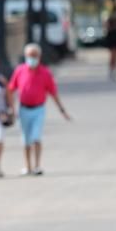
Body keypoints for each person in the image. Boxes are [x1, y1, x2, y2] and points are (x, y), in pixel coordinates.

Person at [8, 44, 71, 175]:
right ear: (25, 56)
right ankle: (28, 166)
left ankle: (37, 166)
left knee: (36, 137)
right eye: (30, 56)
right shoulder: (20, 70)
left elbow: (53, 93)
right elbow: (11, 89)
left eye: (35, 56)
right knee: (26, 139)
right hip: (23, 109)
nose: (32, 58)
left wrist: (62, 110)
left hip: (38, 109)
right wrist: (11, 108)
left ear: (39, 56)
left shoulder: (45, 72)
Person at [104, 7, 116, 81]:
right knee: (112, 55)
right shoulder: (109, 19)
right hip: (112, 37)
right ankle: (112, 69)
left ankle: (114, 70)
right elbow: (107, 27)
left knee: (115, 56)